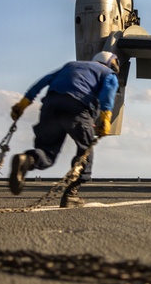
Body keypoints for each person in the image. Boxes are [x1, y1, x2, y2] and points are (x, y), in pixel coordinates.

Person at [9, 50, 119, 208]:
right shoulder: (108, 73)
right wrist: (105, 117)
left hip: (50, 106)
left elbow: (42, 82)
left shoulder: (70, 65)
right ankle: (71, 195)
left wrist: (24, 103)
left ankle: (27, 160)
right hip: (78, 108)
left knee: (47, 152)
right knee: (85, 152)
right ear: (111, 64)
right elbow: (107, 93)